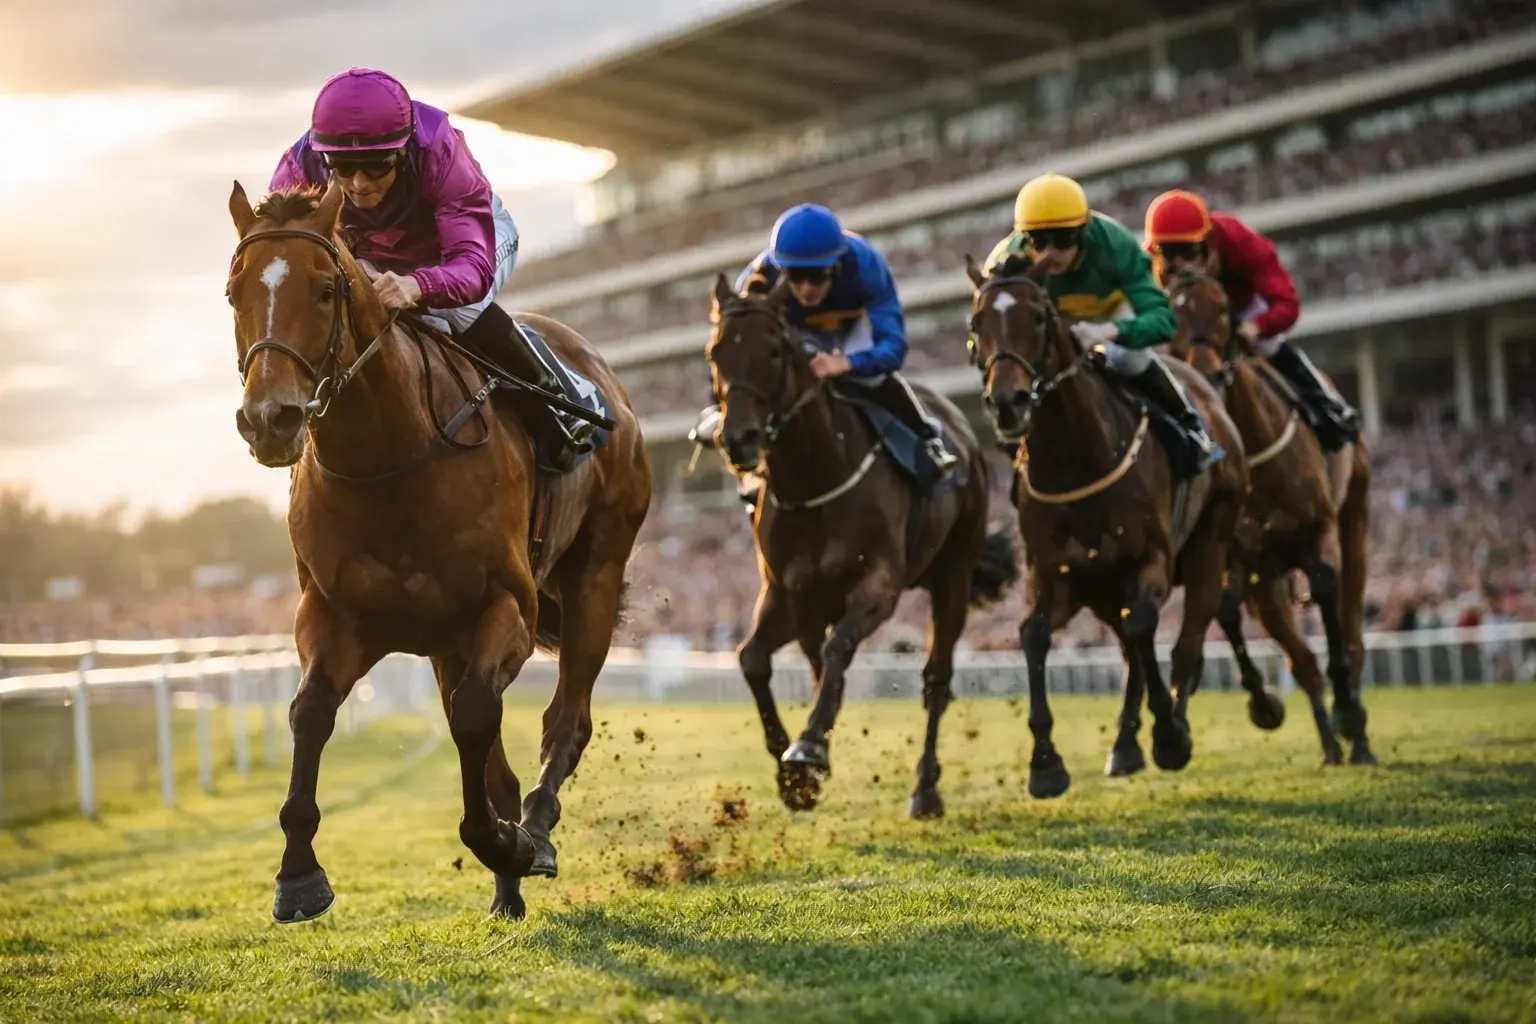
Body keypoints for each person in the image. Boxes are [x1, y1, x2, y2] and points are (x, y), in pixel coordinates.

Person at [269, 66, 596, 470]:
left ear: (403, 150)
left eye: (377, 165)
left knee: (456, 310)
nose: (358, 184)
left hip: (463, 245)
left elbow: (472, 269)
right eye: (342, 167)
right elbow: (268, 259)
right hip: (371, 254)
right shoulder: (301, 167)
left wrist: (418, 285)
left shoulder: (438, 148)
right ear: (323, 157)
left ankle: (556, 404)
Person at [696, 203, 957, 498]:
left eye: (818, 276)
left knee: (872, 379)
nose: (807, 288)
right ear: (781, 269)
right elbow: (734, 347)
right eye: (795, 276)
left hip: (851, 329)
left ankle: (925, 436)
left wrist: (845, 363)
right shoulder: (758, 277)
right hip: (795, 332)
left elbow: (893, 347)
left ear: (836, 265)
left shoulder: (866, 264)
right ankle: (735, 438)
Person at [984, 173, 1222, 474]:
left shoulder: (1116, 245)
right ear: (1024, 238)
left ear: (1083, 231)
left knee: (1131, 359)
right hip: (1050, 320)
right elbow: (986, 329)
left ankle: (1189, 425)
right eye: (1039, 241)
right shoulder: (1005, 259)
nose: (1049, 254)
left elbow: (1163, 321)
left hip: (1110, 312)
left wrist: (1113, 331)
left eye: (1062, 240)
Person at [1143, 188, 1362, 450]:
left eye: (1188, 251)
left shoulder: (1238, 240)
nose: (1180, 264)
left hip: (1241, 308)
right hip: (1190, 318)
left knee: (1269, 344)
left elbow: (1287, 304)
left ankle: (1328, 406)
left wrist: (1257, 326)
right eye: (1168, 252)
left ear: (1207, 243)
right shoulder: (1150, 264)